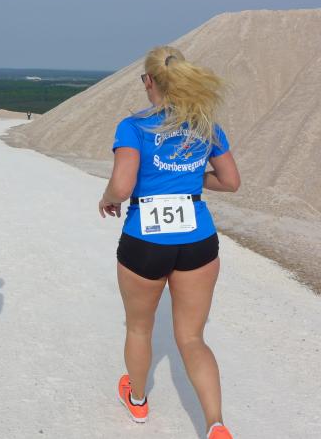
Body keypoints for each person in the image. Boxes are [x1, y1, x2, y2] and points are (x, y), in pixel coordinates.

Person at [98, 46, 240, 439]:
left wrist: (108, 199)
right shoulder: (206, 125)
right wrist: (191, 180)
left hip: (145, 240)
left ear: (148, 81)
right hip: (198, 240)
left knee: (139, 329)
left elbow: (122, 186)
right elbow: (231, 181)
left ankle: (138, 400)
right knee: (192, 338)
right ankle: (216, 424)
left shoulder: (133, 127)